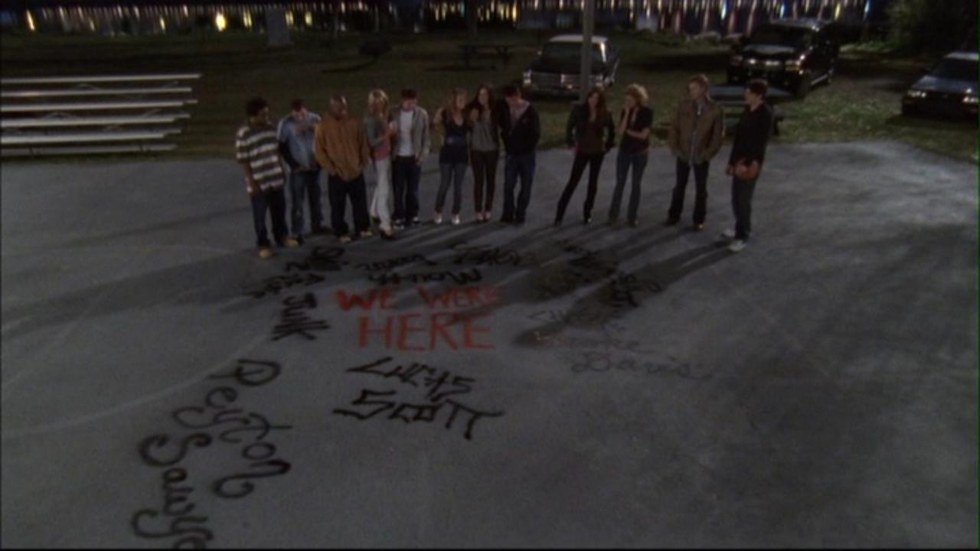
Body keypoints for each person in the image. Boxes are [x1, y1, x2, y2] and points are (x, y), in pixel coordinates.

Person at [235, 97, 300, 259]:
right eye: (263, 114)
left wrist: (282, 169)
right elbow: (244, 160)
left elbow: (276, 150)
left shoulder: (271, 128)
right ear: (253, 115)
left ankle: (282, 236)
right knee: (260, 215)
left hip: (274, 175)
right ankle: (263, 244)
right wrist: (251, 182)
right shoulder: (244, 133)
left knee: (279, 210)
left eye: (267, 114)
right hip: (259, 179)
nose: (266, 117)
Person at [666, 74, 725, 231]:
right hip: (684, 153)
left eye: (694, 88)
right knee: (679, 186)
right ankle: (674, 214)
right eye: (690, 88)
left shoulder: (715, 110)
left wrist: (706, 155)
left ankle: (699, 219)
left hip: (701, 155)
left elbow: (717, 137)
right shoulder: (684, 106)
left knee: (701, 189)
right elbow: (674, 128)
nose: (691, 91)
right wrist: (675, 148)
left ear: (703, 89)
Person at [722, 79, 774, 253]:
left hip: (751, 162)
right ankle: (739, 226)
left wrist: (750, 162)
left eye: (749, 92)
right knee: (736, 197)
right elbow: (738, 138)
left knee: (744, 199)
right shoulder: (747, 110)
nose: (746, 94)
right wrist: (731, 162)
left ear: (758, 95)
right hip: (739, 159)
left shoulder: (765, 113)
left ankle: (742, 235)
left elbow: (760, 142)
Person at [313, 95, 373, 245]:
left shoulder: (354, 122)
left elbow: (363, 143)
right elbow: (319, 152)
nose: (343, 110)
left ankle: (362, 227)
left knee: (360, 202)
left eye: (344, 107)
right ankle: (341, 231)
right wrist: (332, 170)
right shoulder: (323, 126)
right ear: (331, 108)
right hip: (337, 174)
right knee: (337, 205)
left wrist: (363, 162)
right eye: (339, 108)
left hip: (356, 170)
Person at [555, 86, 615, 226]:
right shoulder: (579, 110)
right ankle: (559, 214)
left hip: (597, 151)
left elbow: (611, 130)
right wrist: (570, 142)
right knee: (573, 181)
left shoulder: (604, 112)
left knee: (593, 183)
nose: (593, 101)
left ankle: (587, 212)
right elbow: (570, 126)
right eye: (591, 97)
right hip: (582, 150)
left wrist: (608, 145)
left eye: (596, 98)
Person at [277, 99, 325, 241]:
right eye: (297, 115)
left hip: (314, 166)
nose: (300, 118)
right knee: (297, 200)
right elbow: (282, 147)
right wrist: (294, 165)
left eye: (303, 114)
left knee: (316, 197)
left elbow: (325, 136)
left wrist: (310, 128)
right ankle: (298, 230)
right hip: (298, 169)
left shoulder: (315, 119)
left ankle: (317, 224)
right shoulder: (286, 123)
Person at [607, 84, 654, 227]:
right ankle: (613, 215)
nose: (627, 102)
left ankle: (632, 217)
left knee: (636, 184)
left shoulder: (647, 112)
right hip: (625, 151)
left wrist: (629, 132)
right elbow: (620, 131)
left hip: (640, 153)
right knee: (620, 183)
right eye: (626, 99)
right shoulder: (626, 111)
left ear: (638, 99)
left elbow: (643, 135)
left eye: (630, 100)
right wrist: (627, 114)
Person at [498, 85, 540, 225]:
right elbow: (503, 127)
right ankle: (508, 213)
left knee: (526, 185)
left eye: (512, 100)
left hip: (526, 155)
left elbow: (535, 134)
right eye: (508, 101)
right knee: (508, 185)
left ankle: (521, 213)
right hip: (511, 154)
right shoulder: (505, 110)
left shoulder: (530, 112)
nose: (511, 103)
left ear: (518, 96)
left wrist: (525, 147)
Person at [390, 88, 431, 230]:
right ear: (402, 100)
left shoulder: (422, 114)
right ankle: (398, 216)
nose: (411, 105)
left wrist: (422, 155)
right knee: (398, 189)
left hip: (414, 157)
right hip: (398, 157)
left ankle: (412, 215)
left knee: (413, 190)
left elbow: (426, 137)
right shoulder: (393, 113)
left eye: (414, 102)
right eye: (408, 102)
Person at [432, 88, 470, 225]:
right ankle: (438, 210)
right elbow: (434, 124)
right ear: (454, 100)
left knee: (458, 186)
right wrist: (441, 135)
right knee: (444, 184)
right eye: (460, 99)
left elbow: (472, 129)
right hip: (447, 153)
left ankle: (455, 212)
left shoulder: (466, 115)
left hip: (461, 154)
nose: (462, 102)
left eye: (464, 100)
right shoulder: (445, 113)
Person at [363, 89, 397, 240]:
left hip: (385, 154)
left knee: (381, 184)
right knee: (384, 189)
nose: (379, 105)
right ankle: (385, 223)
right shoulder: (371, 120)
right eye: (376, 103)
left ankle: (374, 211)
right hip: (379, 156)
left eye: (381, 102)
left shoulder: (382, 116)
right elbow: (372, 142)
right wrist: (387, 135)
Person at [467, 84, 500, 223]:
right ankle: (478, 210)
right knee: (478, 181)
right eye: (480, 94)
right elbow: (466, 127)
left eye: (485, 94)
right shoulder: (472, 109)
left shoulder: (494, 110)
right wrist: (471, 120)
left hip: (491, 149)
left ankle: (488, 209)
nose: (482, 97)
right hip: (477, 150)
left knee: (491, 180)